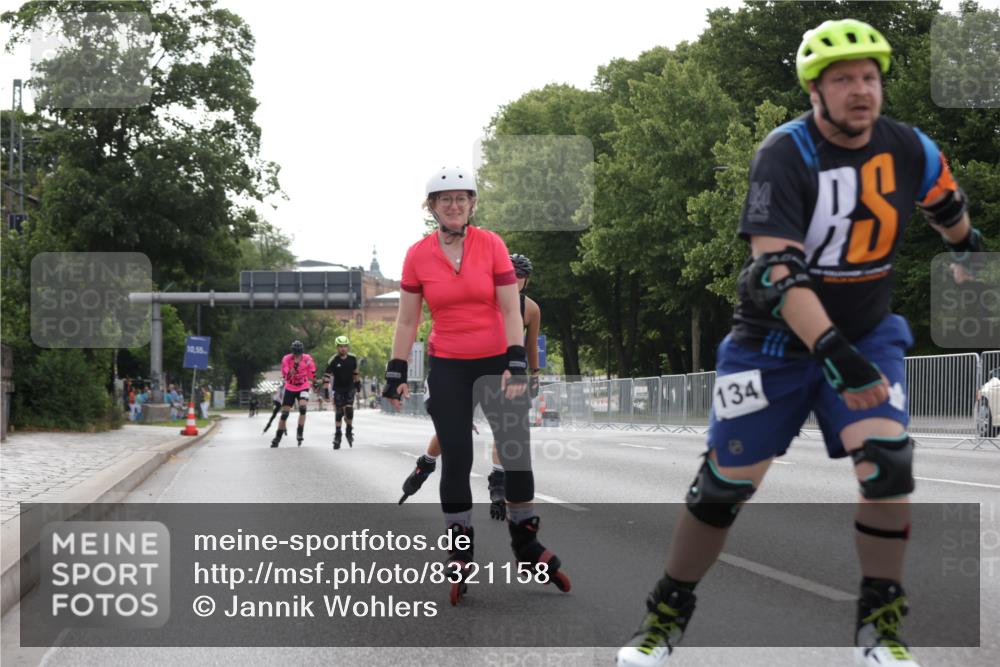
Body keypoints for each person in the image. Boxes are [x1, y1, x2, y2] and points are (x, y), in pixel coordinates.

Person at [616, 19, 985, 667]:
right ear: (815, 91)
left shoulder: (909, 147)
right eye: (843, 79)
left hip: (868, 332)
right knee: (723, 487)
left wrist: (966, 250)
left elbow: (944, 200)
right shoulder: (786, 152)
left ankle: (879, 627)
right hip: (771, 346)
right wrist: (836, 355)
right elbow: (776, 271)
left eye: (870, 77)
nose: (860, 90)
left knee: (888, 463)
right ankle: (665, 617)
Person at [383, 167, 569, 605]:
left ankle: (526, 545)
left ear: (472, 204)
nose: (453, 205)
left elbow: (510, 308)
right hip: (448, 365)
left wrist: (516, 361)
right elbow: (407, 319)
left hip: (494, 363)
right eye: (443, 199)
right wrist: (395, 370)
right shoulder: (417, 255)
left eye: (460, 198)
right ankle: (461, 553)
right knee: (458, 458)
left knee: (515, 452)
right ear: (431, 207)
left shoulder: (492, 245)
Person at [399, 253, 543, 522]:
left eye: (520, 277)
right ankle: (426, 463)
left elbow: (530, 346)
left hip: (507, 374)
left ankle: (498, 482)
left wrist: (534, 374)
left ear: (526, 281)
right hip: (471, 368)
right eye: (511, 275)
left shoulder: (531, 309)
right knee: (454, 430)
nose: (515, 282)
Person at [271, 340, 317, 447]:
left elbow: (312, 370)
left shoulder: (307, 358)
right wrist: (291, 370)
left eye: (299, 354)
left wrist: (314, 381)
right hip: (290, 387)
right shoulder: (286, 359)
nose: (297, 356)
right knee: (284, 414)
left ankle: (300, 431)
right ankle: (278, 437)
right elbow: (286, 373)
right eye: (295, 354)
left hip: (303, 386)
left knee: (303, 408)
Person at [324, 335, 361, 449]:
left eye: (345, 346)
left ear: (348, 347)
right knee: (339, 412)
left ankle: (349, 430)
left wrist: (358, 384)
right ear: (337, 347)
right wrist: (326, 391)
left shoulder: (352, 358)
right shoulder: (333, 360)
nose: (343, 349)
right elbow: (326, 376)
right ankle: (338, 435)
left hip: (349, 388)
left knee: (349, 410)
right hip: (338, 389)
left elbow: (355, 372)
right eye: (340, 346)